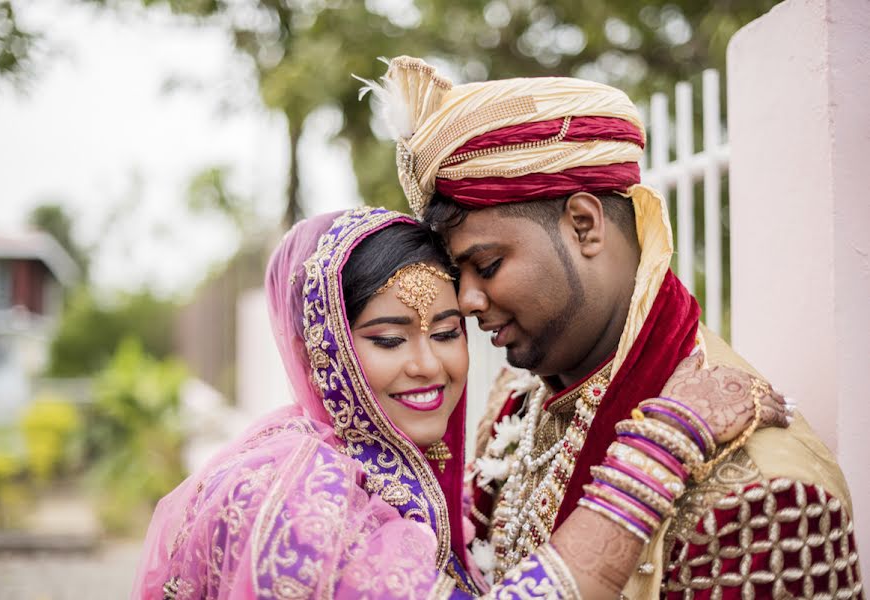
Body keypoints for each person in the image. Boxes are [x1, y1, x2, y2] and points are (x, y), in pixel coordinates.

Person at [366, 55, 864, 598]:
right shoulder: (515, 403)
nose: (466, 301)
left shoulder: (763, 493)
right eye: (456, 274)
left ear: (584, 225)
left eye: (486, 266)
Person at [132, 206, 787, 599]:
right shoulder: (302, 501)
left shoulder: (371, 461)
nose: (430, 364)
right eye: (389, 339)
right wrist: (659, 448)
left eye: (448, 333)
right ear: (321, 350)